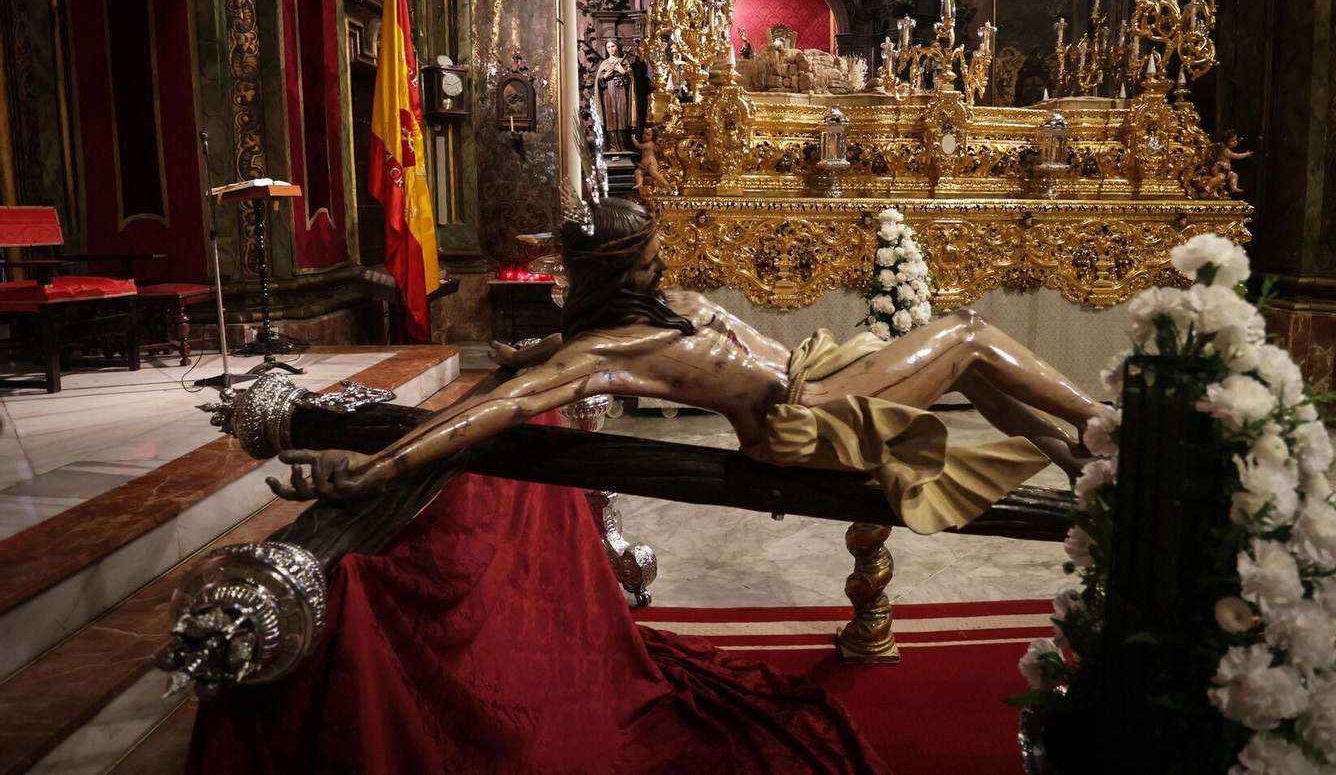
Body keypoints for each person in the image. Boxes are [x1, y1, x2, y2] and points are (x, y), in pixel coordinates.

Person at [272, 199, 1100, 534]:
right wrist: (375, 465)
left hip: (822, 374)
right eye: (647, 260)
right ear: (613, 270)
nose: (662, 269)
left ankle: (1075, 451)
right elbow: (499, 409)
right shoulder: (606, 352)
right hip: (800, 419)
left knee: (972, 356)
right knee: (969, 336)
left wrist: (529, 347)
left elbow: (539, 356)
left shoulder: (636, 312)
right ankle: (1100, 426)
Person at [592, 39, 634, 151]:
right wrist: (605, 77)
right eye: (608, 47)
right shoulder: (604, 63)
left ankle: (623, 147)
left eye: (613, 46)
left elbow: (632, 81)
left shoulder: (624, 62)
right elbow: (598, 82)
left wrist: (623, 72)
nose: (611, 49)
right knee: (610, 119)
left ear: (618, 47)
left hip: (621, 93)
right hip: (608, 92)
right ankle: (613, 146)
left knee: (622, 118)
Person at [1202, 129, 1254, 196]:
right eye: (1232, 141)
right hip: (1219, 169)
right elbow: (1237, 156)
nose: (1235, 142)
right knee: (1220, 177)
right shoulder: (1226, 151)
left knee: (1234, 175)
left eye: (1235, 139)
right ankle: (1208, 186)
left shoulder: (1227, 150)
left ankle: (1233, 188)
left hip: (1225, 171)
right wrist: (1246, 154)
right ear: (1226, 141)